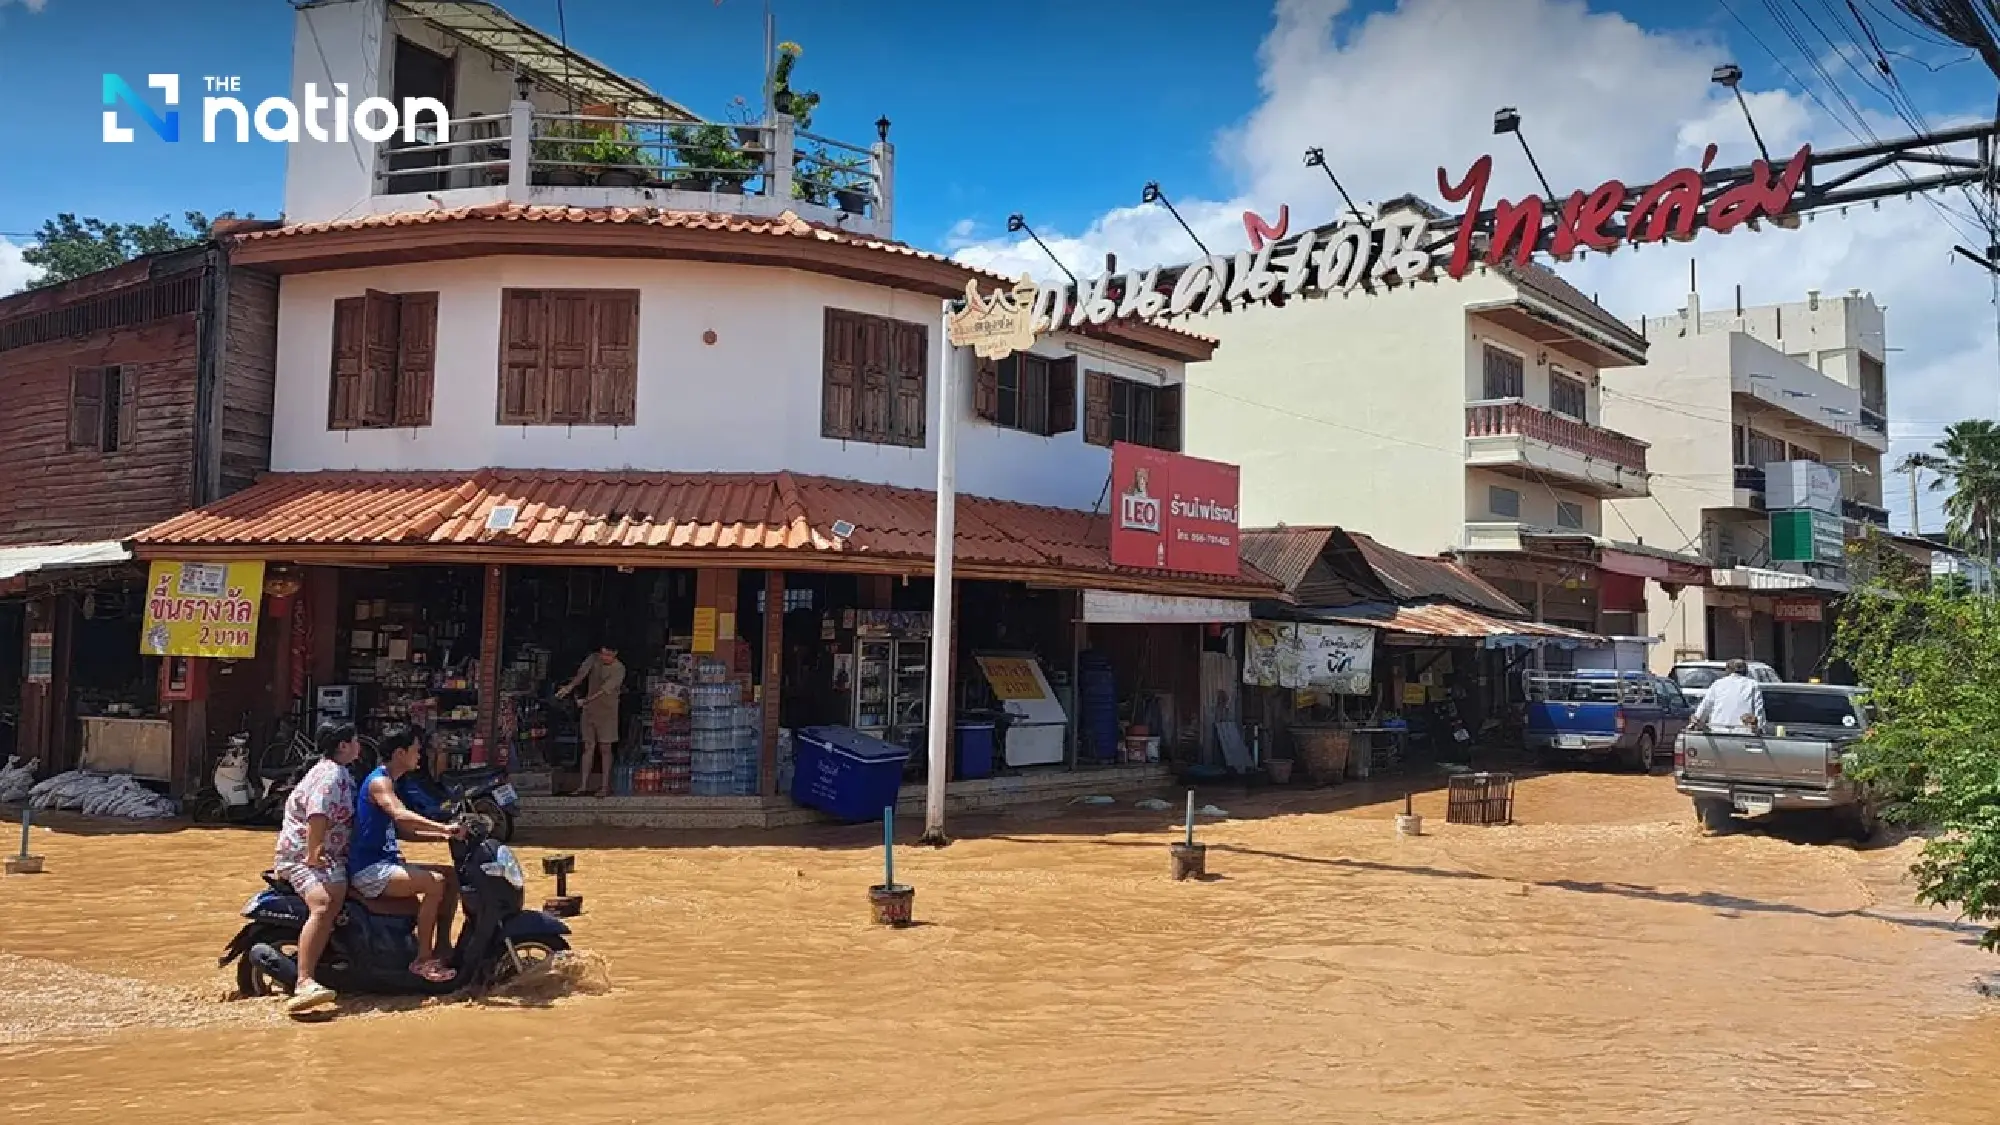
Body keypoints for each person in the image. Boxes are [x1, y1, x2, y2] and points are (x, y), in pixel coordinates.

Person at [349, 724, 466, 983]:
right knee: (434, 883)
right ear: (400, 753)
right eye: (416, 750)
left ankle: (442, 947)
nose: (420, 755)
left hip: (385, 862)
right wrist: (443, 827)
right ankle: (422, 960)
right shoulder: (380, 782)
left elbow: (403, 831)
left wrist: (443, 836)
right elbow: (400, 815)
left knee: (451, 876)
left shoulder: (392, 781)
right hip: (370, 869)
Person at [270, 720, 363, 1015]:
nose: (359, 746)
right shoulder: (329, 774)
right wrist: (314, 853)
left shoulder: (341, 773)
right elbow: (318, 814)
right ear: (343, 746)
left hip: (330, 855)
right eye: (355, 741)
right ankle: (304, 980)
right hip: (301, 856)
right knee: (323, 904)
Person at [556, 642, 625, 797]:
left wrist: (586, 700)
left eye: (608, 655)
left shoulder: (619, 669)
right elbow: (581, 674)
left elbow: (604, 690)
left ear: (615, 654)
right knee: (588, 746)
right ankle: (583, 785)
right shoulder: (594, 659)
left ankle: (605, 786)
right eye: (602, 653)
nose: (604, 657)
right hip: (589, 712)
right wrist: (569, 687)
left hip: (607, 713)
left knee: (605, 748)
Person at [1690, 658, 1767, 734]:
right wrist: (1760, 727)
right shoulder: (1753, 684)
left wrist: (1696, 721)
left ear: (1727, 670)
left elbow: (1705, 706)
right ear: (1746, 671)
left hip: (1717, 731)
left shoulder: (1718, 684)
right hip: (1744, 733)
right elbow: (1759, 709)